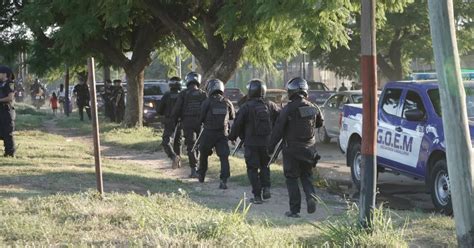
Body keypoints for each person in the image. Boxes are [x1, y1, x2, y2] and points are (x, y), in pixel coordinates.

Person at [268, 77, 323, 218]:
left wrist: (270, 147)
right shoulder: (313, 107)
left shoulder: (288, 108)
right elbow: (319, 123)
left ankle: (294, 210)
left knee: (292, 179)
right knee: (306, 176)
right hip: (309, 150)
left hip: (291, 150)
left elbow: (278, 130)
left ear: (291, 91)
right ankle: (311, 197)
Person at [229, 79, 280, 203]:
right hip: (266, 143)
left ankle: (257, 196)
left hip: (251, 143)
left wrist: (232, 137)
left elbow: (237, 124)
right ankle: (266, 187)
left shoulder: (246, 106)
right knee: (265, 167)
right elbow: (281, 118)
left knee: (252, 169)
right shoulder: (271, 105)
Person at [197, 79, 235, 189]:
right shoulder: (227, 102)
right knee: (224, 157)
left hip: (208, 133)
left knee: (203, 154)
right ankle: (224, 180)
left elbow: (200, 118)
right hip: (222, 134)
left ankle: (201, 175)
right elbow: (232, 117)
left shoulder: (207, 102)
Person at [172, 72, 207, 178]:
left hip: (187, 123)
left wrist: (173, 121)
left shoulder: (183, 93)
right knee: (199, 146)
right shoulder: (203, 94)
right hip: (200, 123)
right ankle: (199, 168)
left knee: (191, 145)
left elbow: (177, 109)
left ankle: (194, 169)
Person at [156, 76, 183, 169]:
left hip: (170, 120)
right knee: (177, 142)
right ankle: (178, 161)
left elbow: (159, 110)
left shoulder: (167, 95)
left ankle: (174, 157)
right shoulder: (182, 95)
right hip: (180, 121)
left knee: (166, 141)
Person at [0, 65, 16, 157]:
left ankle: (9, 152)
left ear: (4, 74)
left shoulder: (9, 83)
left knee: (7, 133)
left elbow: (10, 98)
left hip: (7, 111)